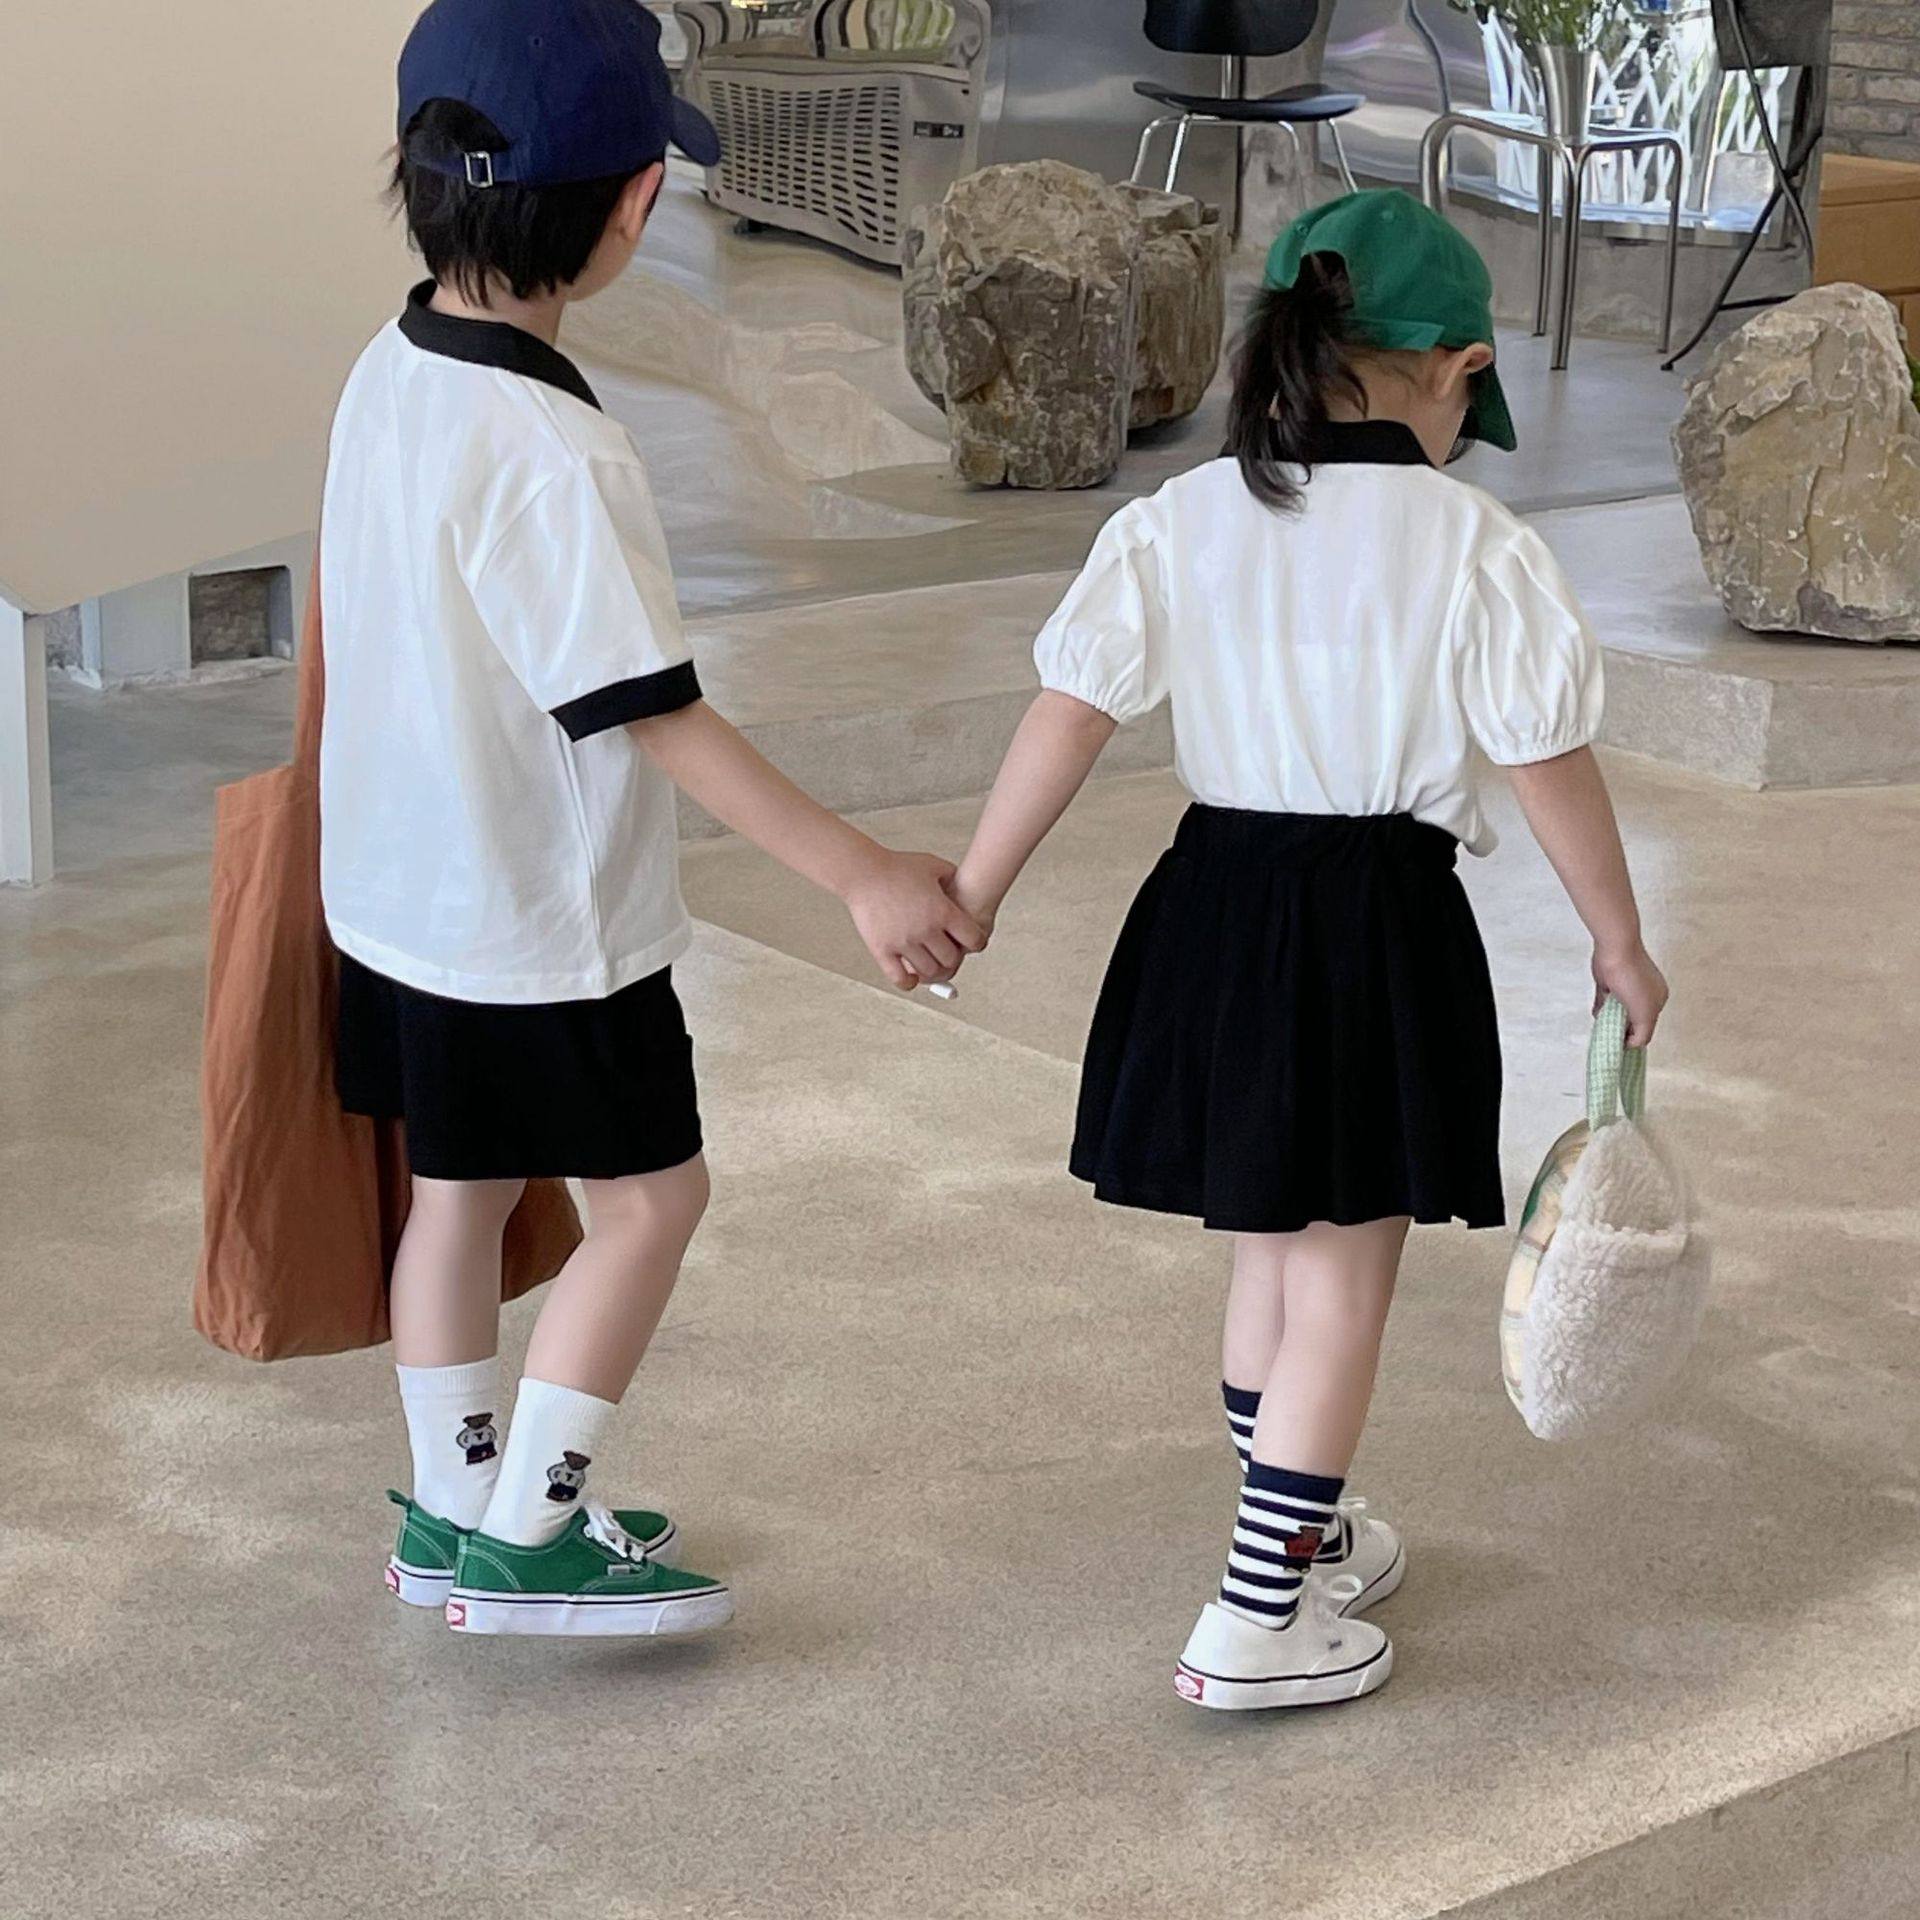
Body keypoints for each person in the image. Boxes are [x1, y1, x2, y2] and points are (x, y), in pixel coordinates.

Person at [948, 191, 1667, 1709]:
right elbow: (1545, 760)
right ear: (1459, 369)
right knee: (1343, 1284)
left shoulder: (1182, 518)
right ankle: (1258, 1617)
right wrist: (1618, 938)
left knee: (1274, 1257)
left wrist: (976, 889)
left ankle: (1311, 1527)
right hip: (1369, 926)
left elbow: (1071, 712)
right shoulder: (1470, 542)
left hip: (1211, 911)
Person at [321, 0, 985, 1638]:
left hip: (402, 902)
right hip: (544, 929)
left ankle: (454, 1512)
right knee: (650, 1205)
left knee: (459, 1197)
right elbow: (650, 711)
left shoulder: (385, 369)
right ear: (631, 207)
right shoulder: (553, 448)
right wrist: (861, 873)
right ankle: (533, 1540)